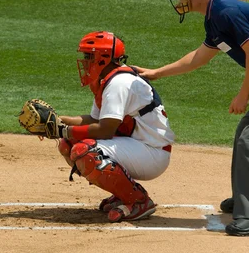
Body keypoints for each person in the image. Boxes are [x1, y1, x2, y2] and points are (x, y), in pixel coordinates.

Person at [137, 0, 249, 236]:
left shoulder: (224, 10)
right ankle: (245, 199)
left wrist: (242, 94)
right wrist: (156, 72)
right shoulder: (214, 14)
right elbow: (200, 56)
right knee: (246, 133)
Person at [55, 31, 175, 223]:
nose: (85, 62)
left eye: (89, 57)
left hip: (152, 153)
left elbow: (105, 130)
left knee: (86, 152)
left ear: (103, 58)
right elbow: (94, 120)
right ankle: (123, 192)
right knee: (68, 143)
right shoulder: (107, 79)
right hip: (135, 145)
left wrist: (63, 129)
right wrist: (60, 121)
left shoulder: (119, 83)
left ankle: (138, 201)